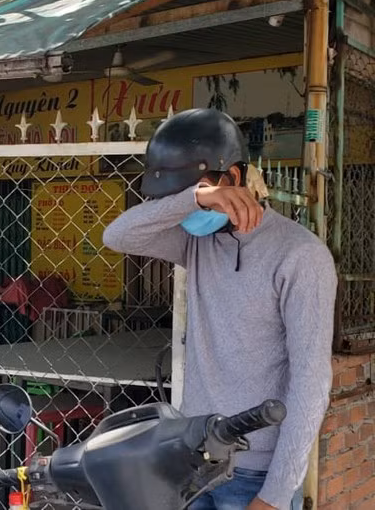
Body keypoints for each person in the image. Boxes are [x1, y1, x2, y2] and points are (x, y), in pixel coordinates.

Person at [103, 108, 336, 510]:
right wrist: (195, 198)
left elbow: (311, 383)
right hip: (193, 460)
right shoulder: (197, 243)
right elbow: (117, 235)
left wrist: (275, 496)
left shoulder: (300, 256)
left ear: (236, 177)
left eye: (204, 186)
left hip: (254, 476)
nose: (193, 209)